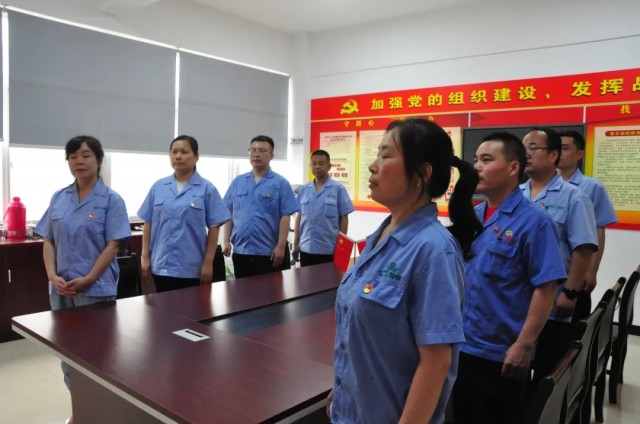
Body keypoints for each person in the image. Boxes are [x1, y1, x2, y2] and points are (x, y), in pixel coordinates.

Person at [327, 118, 482, 423]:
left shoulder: (434, 250)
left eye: (386, 156)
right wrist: (343, 388)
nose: (373, 166)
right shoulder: (380, 237)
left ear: (423, 174)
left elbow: (436, 363)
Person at [452, 132, 566, 424]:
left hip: (499, 354)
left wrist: (524, 345)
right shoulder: (474, 217)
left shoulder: (534, 221)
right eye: (475, 159)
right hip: (461, 344)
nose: (476, 167)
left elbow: (546, 288)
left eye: (486, 159)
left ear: (513, 167)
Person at [35, 135, 131, 422]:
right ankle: (80, 411)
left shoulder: (111, 200)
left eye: (86, 155)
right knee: (67, 353)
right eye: (73, 156)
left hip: (96, 289)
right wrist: (51, 274)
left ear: (99, 160)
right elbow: (48, 239)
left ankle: (101, 412)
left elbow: (113, 245)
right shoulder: (58, 197)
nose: (79, 161)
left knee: (97, 355)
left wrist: (89, 278)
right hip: (61, 289)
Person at [519, 128, 598, 382]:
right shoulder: (515, 194)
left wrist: (571, 292)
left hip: (554, 299)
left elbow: (583, 248)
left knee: (546, 368)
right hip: (518, 299)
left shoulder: (574, 197)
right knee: (517, 367)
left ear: (553, 155)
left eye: (533, 148)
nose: (526, 154)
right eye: (524, 149)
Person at [137, 135, 230, 293]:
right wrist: (144, 256)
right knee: (162, 307)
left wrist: (208, 262)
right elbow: (148, 222)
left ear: (196, 157)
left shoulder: (207, 188)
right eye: (174, 152)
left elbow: (214, 227)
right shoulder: (159, 187)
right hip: (161, 265)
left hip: (192, 267)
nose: (178, 156)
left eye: (184, 152)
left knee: (191, 307)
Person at [557, 130, 618, 321]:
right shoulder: (542, 186)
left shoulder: (591, 187)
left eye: (565, 148)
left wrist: (592, 270)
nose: (559, 153)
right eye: (556, 148)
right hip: (550, 271)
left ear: (579, 154)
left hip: (576, 269)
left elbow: (599, 229)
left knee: (574, 324)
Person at [222, 135, 298, 279]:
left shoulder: (280, 183)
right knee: (242, 291)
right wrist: (226, 240)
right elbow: (229, 212)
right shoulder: (238, 182)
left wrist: (281, 246)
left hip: (269, 252)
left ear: (271, 156)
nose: (256, 154)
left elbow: (285, 216)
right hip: (241, 251)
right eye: (253, 150)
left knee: (271, 291)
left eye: (262, 151)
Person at [293, 149, 354, 267]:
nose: (317, 167)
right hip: (306, 248)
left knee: (328, 279)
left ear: (329, 166)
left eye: (321, 163)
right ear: (310, 166)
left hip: (329, 249)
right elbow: (299, 217)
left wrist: (340, 247)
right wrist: (295, 245)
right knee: (306, 279)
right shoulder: (304, 189)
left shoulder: (338, 188)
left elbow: (344, 218)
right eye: (314, 163)